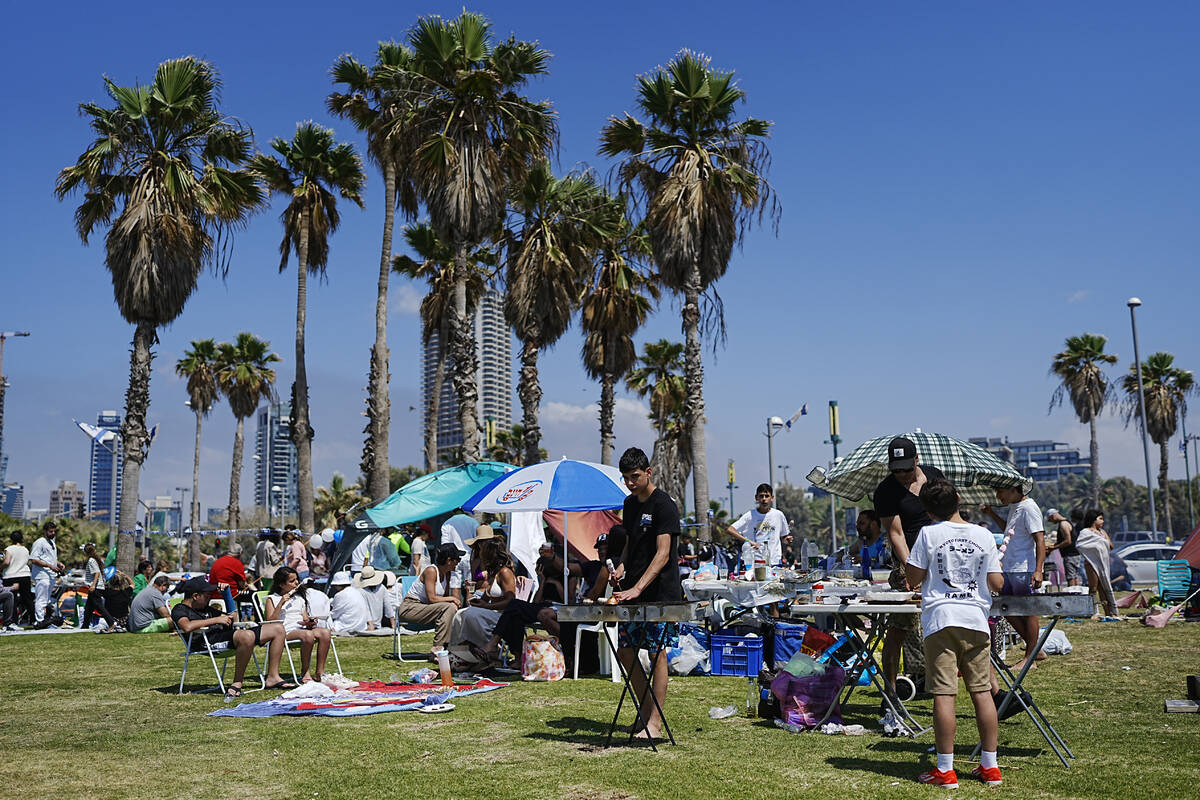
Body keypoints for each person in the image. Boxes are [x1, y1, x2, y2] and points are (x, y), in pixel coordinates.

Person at [905, 478, 1005, 788]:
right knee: (982, 693)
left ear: (927, 509)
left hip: (941, 620)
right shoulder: (983, 535)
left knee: (944, 694)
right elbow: (997, 583)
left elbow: (913, 576)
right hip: (975, 619)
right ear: (959, 499)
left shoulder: (928, 534)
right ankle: (990, 766)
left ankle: (945, 770)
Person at [612, 447, 682, 740]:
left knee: (657, 654)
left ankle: (655, 722)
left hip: (660, 593)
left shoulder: (665, 505)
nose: (630, 483)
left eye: (635, 477)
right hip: (633, 591)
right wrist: (621, 566)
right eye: (626, 478)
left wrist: (638, 587)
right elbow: (631, 544)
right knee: (625, 651)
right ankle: (644, 713)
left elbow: (663, 553)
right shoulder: (629, 504)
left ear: (648, 472)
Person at [872, 437, 947, 697]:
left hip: (942, 562)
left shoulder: (935, 477)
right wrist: (910, 570)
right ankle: (890, 691)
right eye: (896, 470)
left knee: (947, 624)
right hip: (908, 564)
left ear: (917, 460)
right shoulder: (885, 491)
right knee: (900, 627)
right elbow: (896, 534)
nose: (902, 474)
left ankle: (946, 684)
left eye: (906, 468)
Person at [170, 576, 294, 699]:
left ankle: (273, 676)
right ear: (196, 596)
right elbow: (186, 626)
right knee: (246, 636)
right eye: (207, 595)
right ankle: (237, 682)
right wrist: (216, 620)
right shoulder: (180, 609)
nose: (210, 597)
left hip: (226, 636)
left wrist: (227, 595)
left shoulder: (206, 608)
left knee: (277, 628)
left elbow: (233, 618)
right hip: (207, 643)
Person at [982, 486, 1046, 671]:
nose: (998, 496)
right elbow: (1009, 530)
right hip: (1009, 567)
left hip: (1023, 568)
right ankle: (1036, 650)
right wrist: (991, 513)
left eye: (1000, 491)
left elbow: (1040, 540)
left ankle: (1030, 658)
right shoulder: (1015, 506)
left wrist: (1038, 569)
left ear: (1013, 489)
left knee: (1028, 610)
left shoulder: (1029, 507)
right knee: (1006, 608)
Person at [452, 529, 516, 650]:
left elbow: (511, 601)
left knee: (472, 614)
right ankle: (458, 649)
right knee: (459, 614)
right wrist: (475, 599)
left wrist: (486, 606)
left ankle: (486, 649)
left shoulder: (505, 572)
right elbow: (485, 599)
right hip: (490, 611)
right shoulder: (493, 572)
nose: (481, 554)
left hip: (503, 615)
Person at [266, 566, 333, 682]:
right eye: (292, 581)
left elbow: (305, 617)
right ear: (281, 584)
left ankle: (319, 672)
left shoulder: (299, 598)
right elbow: (270, 621)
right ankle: (305, 671)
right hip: (284, 631)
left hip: (301, 628)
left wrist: (310, 622)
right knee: (307, 635)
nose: (296, 583)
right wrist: (281, 603)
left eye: (296, 579)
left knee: (325, 633)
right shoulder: (272, 599)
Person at [395, 543, 463, 656]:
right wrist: (452, 598)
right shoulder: (431, 571)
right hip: (410, 608)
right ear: (449, 560)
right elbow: (432, 598)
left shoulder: (447, 574)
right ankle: (438, 648)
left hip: (426, 609)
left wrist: (452, 601)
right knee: (449, 606)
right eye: (458, 559)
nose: (458, 562)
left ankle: (446, 647)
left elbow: (443, 600)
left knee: (451, 608)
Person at [727, 483, 789, 568]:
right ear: (756, 498)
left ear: (772, 498)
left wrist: (787, 539)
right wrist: (748, 541)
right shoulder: (749, 516)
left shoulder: (778, 515)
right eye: (761, 496)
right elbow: (730, 529)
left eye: (767, 496)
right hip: (755, 563)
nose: (764, 499)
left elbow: (784, 537)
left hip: (774, 562)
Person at [1075, 509, 1119, 618]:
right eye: (1100, 518)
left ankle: (1108, 611)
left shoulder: (1103, 532)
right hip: (1091, 563)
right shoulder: (1085, 532)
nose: (1103, 521)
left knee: (1104, 587)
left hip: (1103, 564)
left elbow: (1111, 546)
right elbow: (1080, 545)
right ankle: (1093, 611)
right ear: (1093, 520)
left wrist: (1101, 541)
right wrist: (1098, 543)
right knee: (1093, 587)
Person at [30, 520, 65, 628]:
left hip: (51, 575)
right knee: (41, 599)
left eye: (54, 531)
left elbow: (50, 558)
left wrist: (58, 563)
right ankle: (39, 621)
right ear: (45, 531)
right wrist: (50, 566)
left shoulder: (52, 542)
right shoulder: (39, 542)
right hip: (41, 575)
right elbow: (34, 559)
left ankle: (46, 621)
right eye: (51, 531)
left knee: (47, 600)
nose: (53, 533)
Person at [80, 543, 118, 631]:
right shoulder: (96, 560)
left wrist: (93, 585)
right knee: (89, 608)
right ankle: (85, 625)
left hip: (95, 587)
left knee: (99, 607)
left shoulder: (91, 561)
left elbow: (96, 573)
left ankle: (111, 623)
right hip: (97, 586)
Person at [209, 544, 250, 620]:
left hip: (213, 597)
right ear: (240, 554)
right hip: (230, 597)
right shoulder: (237, 563)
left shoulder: (217, 562)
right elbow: (242, 585)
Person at [2, 530, 35, 626]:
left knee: (12, 599)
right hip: (24, 575)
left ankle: (13, 621)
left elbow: (7, 562)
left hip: (10, 576)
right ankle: (33, 619)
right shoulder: (25, 549)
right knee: (27, 599)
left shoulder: (9, 549)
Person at [328, 570, 374, 634]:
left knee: (327, 619)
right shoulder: (357, 591)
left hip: (347, 625)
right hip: (361, 625)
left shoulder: (340, 595)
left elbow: (335, 614)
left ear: (338, 585)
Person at [1046, 508, 1081, 588]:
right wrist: (1054, 546)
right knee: (1075, 576)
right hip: (1074, 554)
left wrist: (1054, 548)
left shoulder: (1063, 524)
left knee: (1070, 577)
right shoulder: (1067, 522)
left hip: (1070, 555)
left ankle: (1072, 595)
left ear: (1053, 516)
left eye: (1050, 519)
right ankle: (1078, 593)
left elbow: (1068, 541)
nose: (1051, 522)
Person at [853, 509, 888, 579]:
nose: (857, 527)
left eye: (862, 523)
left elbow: (888, 562)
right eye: (857, 524)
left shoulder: (886, 540)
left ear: (873, 524)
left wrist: (868, 560)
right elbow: (845, 552)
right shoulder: (860, 542)